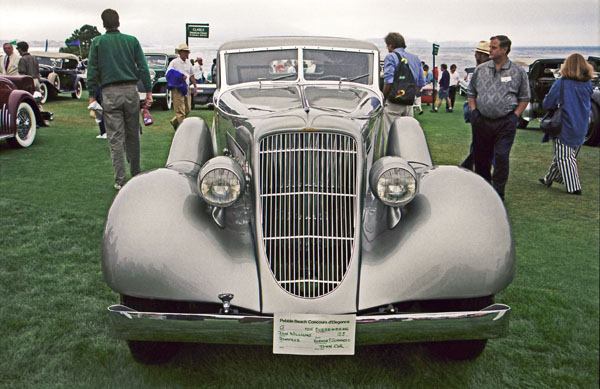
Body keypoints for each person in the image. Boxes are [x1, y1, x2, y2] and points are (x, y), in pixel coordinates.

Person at [87, 8, 152, 190]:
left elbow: (92, 71)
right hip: (131, 91)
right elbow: (143, 67)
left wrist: (92, 95)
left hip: (110, 92)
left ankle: (120, 179)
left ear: (103, 24)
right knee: (133, 135)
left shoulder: (97, 42)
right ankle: (136, 173)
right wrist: (148, 91)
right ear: (119, 22)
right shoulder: (131, 41)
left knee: (115, 138)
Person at [467, 35, 530, 201]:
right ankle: (484, 191)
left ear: (504, 50)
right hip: (482, 121)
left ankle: (498, 193)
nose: (490, 50)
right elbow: (471, 93)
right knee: (481, 158)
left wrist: (515, 116)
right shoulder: (481, 70)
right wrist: (474, 112)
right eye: (490, 47)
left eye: (494, 47)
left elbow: (525, 97)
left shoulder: (517, 72)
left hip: (505, 122)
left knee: (501, 156)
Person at [539, 54, 594, 195]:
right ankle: (548, 178)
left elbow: (548, 103)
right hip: (582, 124)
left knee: (565, 157)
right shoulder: (588, 84)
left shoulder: (562, 83)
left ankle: (574, 186)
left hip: (565, 124)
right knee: (565, 154)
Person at [382, 32, 426, 128]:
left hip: (394, 102)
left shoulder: (391, 57)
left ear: (390, 45)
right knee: (406, 132)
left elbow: (389, 81)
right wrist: (411, 95)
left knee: (390, 132)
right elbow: (421, 82)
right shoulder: (415, 58)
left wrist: (383, 98)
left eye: (387, 46)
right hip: (409, 103)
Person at [460, 40, 490, 169]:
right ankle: (469, 165)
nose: (475, 55)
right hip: (480, 110)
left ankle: (468, 165)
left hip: (480, 110)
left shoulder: (482, 70)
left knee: (481, 142)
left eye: (478, 53)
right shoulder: (484, 69)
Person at [167, 43, 197, 130]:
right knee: (180, 110)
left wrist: (195, 86)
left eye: (187, 52)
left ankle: (174, 121)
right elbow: (169, 74)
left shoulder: (188, 62)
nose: (187, 54)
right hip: (177, 88)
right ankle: (183, 129)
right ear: (180, 53)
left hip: (186, 87)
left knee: (188, 109)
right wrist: (180, 76)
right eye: (185, 52)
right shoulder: (174, 63)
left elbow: (191, 75)